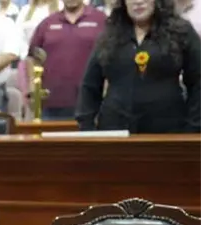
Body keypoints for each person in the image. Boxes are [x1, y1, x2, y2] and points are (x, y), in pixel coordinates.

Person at [77, 0, 201, 133]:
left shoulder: (181, 31)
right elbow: (90, 85)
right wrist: (87, 126)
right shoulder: (109, 35)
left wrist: (193, 128)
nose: (138, 1)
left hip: (167, 133)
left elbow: (198, 81)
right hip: (115, 130)